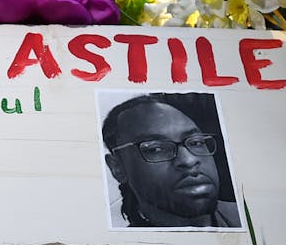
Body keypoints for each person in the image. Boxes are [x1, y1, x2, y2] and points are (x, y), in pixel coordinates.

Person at [101, 92, 240, 228]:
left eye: (196, 142)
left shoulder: (250, 220)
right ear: (117, 168)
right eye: (156, 149)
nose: (189, 160)